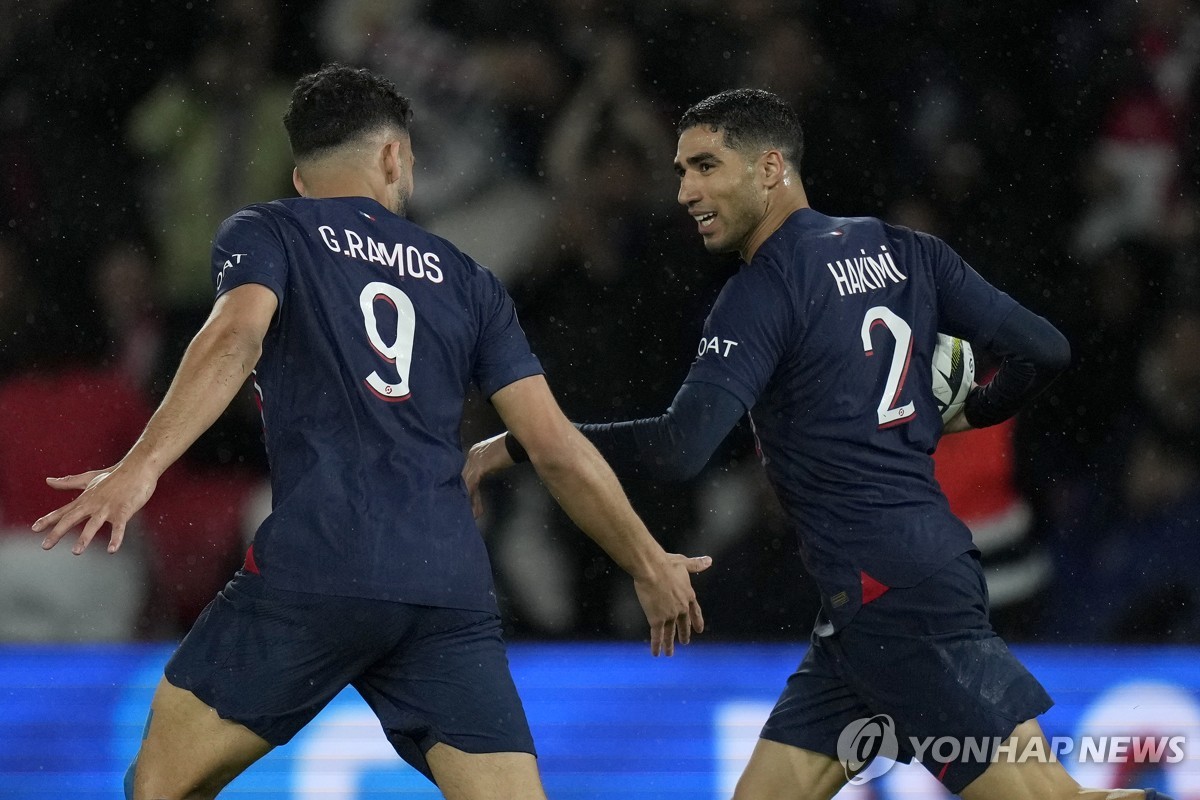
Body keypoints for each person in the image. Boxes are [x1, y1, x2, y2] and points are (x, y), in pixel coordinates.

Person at [465, 89, 1175, 800]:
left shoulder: (764, 292)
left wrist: (532, 439)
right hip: (876, 603)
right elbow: (1043, 351)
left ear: (771, 168)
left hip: (897, 603)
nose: (686, 191)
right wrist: (958, 414)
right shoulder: (905, 252)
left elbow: (681, 448)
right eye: (682, 171)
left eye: (707, 166)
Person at [33, 64, 709, 800]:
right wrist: (647, 561)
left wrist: (141, 467)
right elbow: (556, 447)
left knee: (160, 783)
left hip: (320, 564)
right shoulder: (468, 278)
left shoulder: (271, 229)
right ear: (393, 156)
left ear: (299, 176)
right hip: (444, 585)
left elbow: (235, 336)